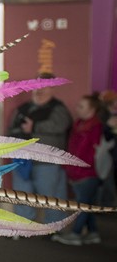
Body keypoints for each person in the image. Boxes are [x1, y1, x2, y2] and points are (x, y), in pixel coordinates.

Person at [7, 77, 72, 223]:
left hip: (46, 160)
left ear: (52, 89)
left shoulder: (58, 108)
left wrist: (34, 127)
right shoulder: (22, 108)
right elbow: (11, 129)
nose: (39, 90)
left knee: (51, 196)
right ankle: (24, 225)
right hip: (22, 159)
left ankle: (55, 226)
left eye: (44, 87)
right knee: (22, 194)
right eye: (36, 87)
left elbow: (60, 126)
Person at [54, 95, 105, 244]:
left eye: (81, 106)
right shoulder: (78, 124)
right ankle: (93, 233)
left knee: (82, 205)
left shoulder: (97, 128)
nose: (77, 109)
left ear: (92, 109)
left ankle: (76, 233)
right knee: (86, 203)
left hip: (89, 173)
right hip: (76, 171)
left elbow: (94, 153)